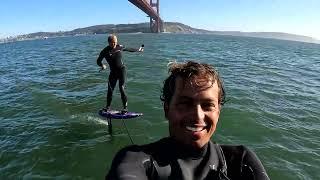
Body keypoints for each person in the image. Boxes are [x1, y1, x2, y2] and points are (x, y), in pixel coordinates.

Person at [106, 61, 270, 180]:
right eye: (185, 104)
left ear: (218, 112)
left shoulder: (240, 162)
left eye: (207, 105)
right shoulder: (137, 161)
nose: (198, 116)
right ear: (166, 109)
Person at [97, 34, 144, 113]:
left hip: (122, 70)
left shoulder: (119, 47)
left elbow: (129, 49)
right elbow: (98, 61)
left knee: (121, 88)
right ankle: (107, 107)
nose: (114, 44)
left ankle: (125, 108)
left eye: (115, 42)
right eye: (112, 43)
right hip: (113, 73)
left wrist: (138, 50)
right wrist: (102, 65)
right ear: (108, 42)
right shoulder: (104, 51)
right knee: (110, 90)